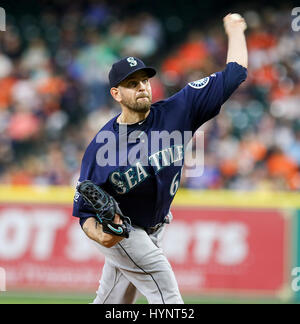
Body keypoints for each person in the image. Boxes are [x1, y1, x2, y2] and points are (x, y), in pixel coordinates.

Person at [72, 13, 248, 304]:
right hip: (125, 233)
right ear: (116, 93)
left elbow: (235, 73)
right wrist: (102, 237)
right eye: (132, 83)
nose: (142, 86)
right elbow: (84, 213)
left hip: (156, 226)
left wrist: (235, 30)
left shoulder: (179, 110)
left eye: (144, 80)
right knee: (168, 298)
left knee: (112, 304)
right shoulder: (102, 148)